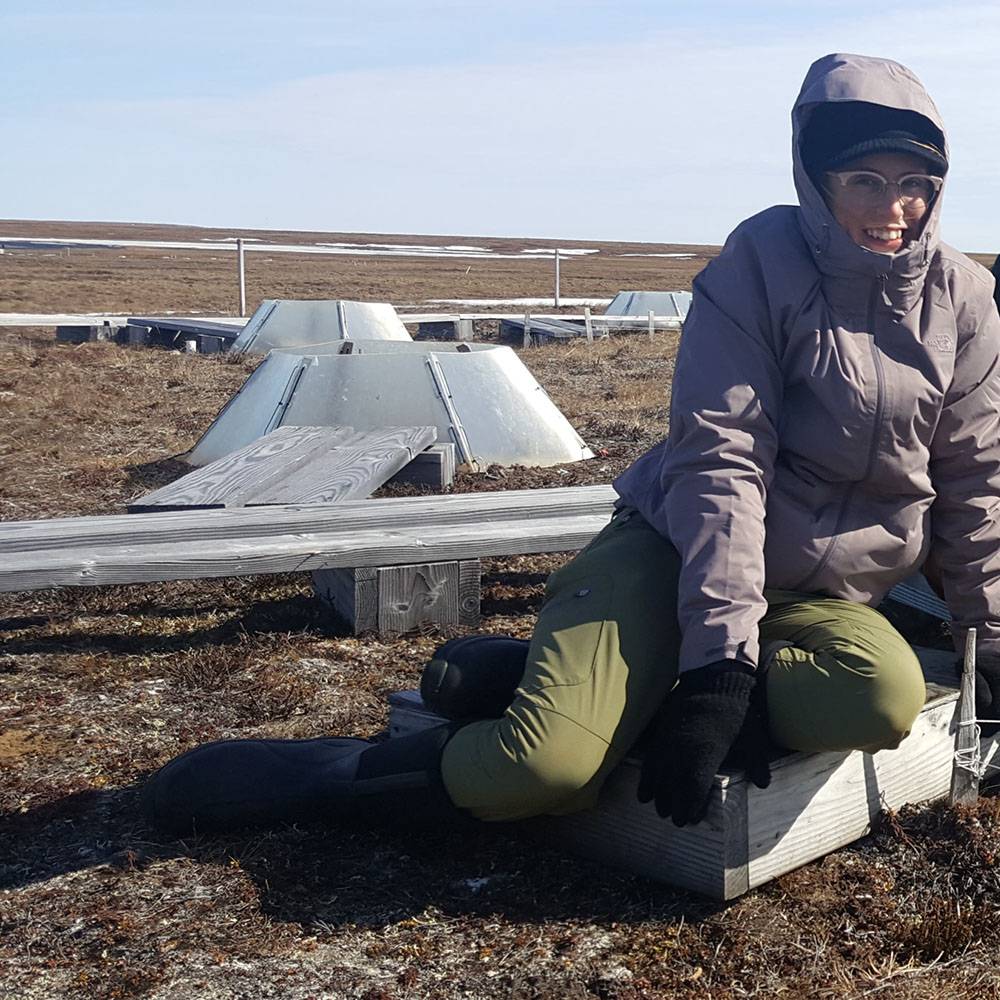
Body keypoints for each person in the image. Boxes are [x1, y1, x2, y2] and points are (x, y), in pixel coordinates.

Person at [142, 52, 1000, 837]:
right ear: (815, 179)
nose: (895, 209)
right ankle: (336, 774)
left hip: (820, 589)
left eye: (916, 182)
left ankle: (562, 678)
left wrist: (989, 635)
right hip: (678, 551)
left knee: (882, 701)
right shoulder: (757, 267)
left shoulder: (964, 299)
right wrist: (719, 675)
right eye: (864, 180)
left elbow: (972, 475)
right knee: (543, 769)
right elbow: (722, 467)